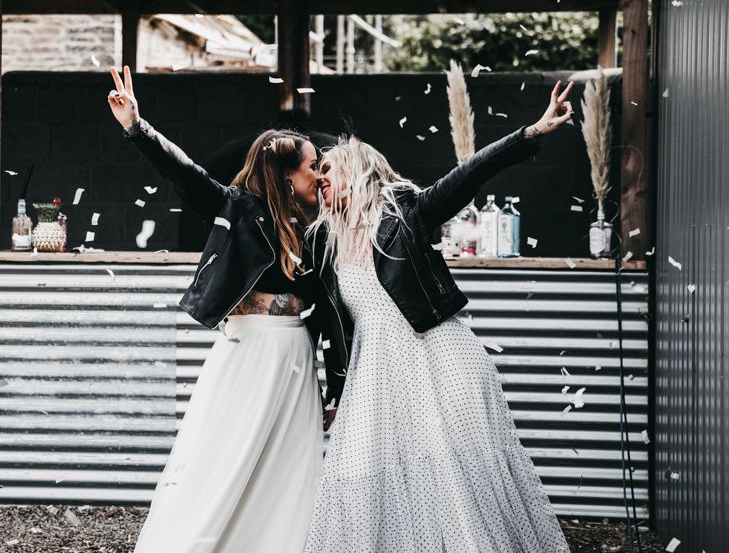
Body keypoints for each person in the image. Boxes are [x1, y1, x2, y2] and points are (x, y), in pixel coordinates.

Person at [304, 81, 576, 552]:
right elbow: (336, 329)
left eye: (329, 168)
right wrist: (334, 392)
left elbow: (469, 174)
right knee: (362, 470)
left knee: (451, 473)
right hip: (375, 373)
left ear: (358, 169)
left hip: (434, 357)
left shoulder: (407, 214)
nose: (321, 177)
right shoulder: (324, 244)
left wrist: (532, 132)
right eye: (317, 172)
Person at [105, 66, 340, 553]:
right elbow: (184, 173)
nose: (320, 175)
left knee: (291, 459)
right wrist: (137, 127)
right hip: (248, 350)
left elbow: (334, 313)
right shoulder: (237, 206)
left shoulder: (318, 229)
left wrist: (335, 384)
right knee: (228, 452)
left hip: (295, 354)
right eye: (313, 166)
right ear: (285, 173)